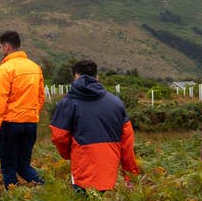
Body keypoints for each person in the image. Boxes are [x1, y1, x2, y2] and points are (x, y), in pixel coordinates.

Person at [50, 59, 140, 192]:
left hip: (82, 171)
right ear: (97, 77)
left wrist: (70, 154)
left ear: (75, 77)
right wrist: (130, 176)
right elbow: (127, 143)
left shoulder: (67, 103)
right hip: (111, 173)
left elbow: (59, 136)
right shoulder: (116, 103)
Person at [0, 30, 46, 188]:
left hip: (10, 124)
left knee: (8, 168)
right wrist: (30, 114)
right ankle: (48, 190)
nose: (1, 50)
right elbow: (41, 98)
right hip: (30, 124)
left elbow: (0, 102)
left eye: (1, 47)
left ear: (7, 47)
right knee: (24, 166)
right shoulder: (35, 67)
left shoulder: (6, 68)